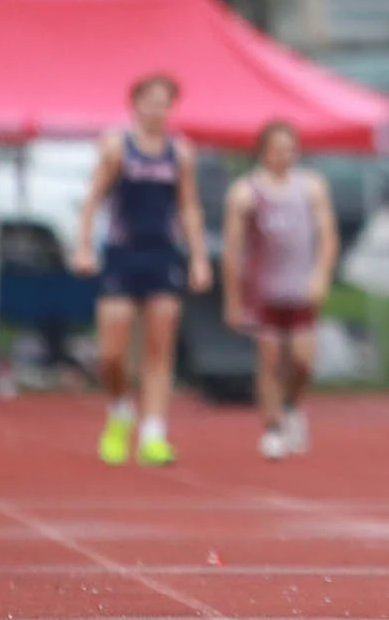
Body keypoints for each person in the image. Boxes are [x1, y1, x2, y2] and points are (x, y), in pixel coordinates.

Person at [70, 73, 212, 467]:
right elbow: (93, 198)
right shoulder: (117, 147)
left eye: (164, 102)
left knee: (158, 351)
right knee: (111, 356)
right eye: (150, 100)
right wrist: (83, 246)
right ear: (135, 103)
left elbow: (188, 206)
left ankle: (153, 433)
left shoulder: (180, 152)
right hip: (122, 255)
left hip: (163, 256)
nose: (156, 108)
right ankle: (120, 410)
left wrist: (199, 257)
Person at [221, 120, 338, 461]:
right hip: (264, 291)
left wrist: (321, 275)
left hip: (300, 287)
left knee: (302, 361)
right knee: (270, 360)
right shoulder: (246, 193)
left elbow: (327, 236)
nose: (284, 156)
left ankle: (292, 407)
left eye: (290, 149)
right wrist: (233, 298)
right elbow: (233, 250)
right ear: (263, 152)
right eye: (277, 149)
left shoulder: (311, 187)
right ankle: (272, 427)